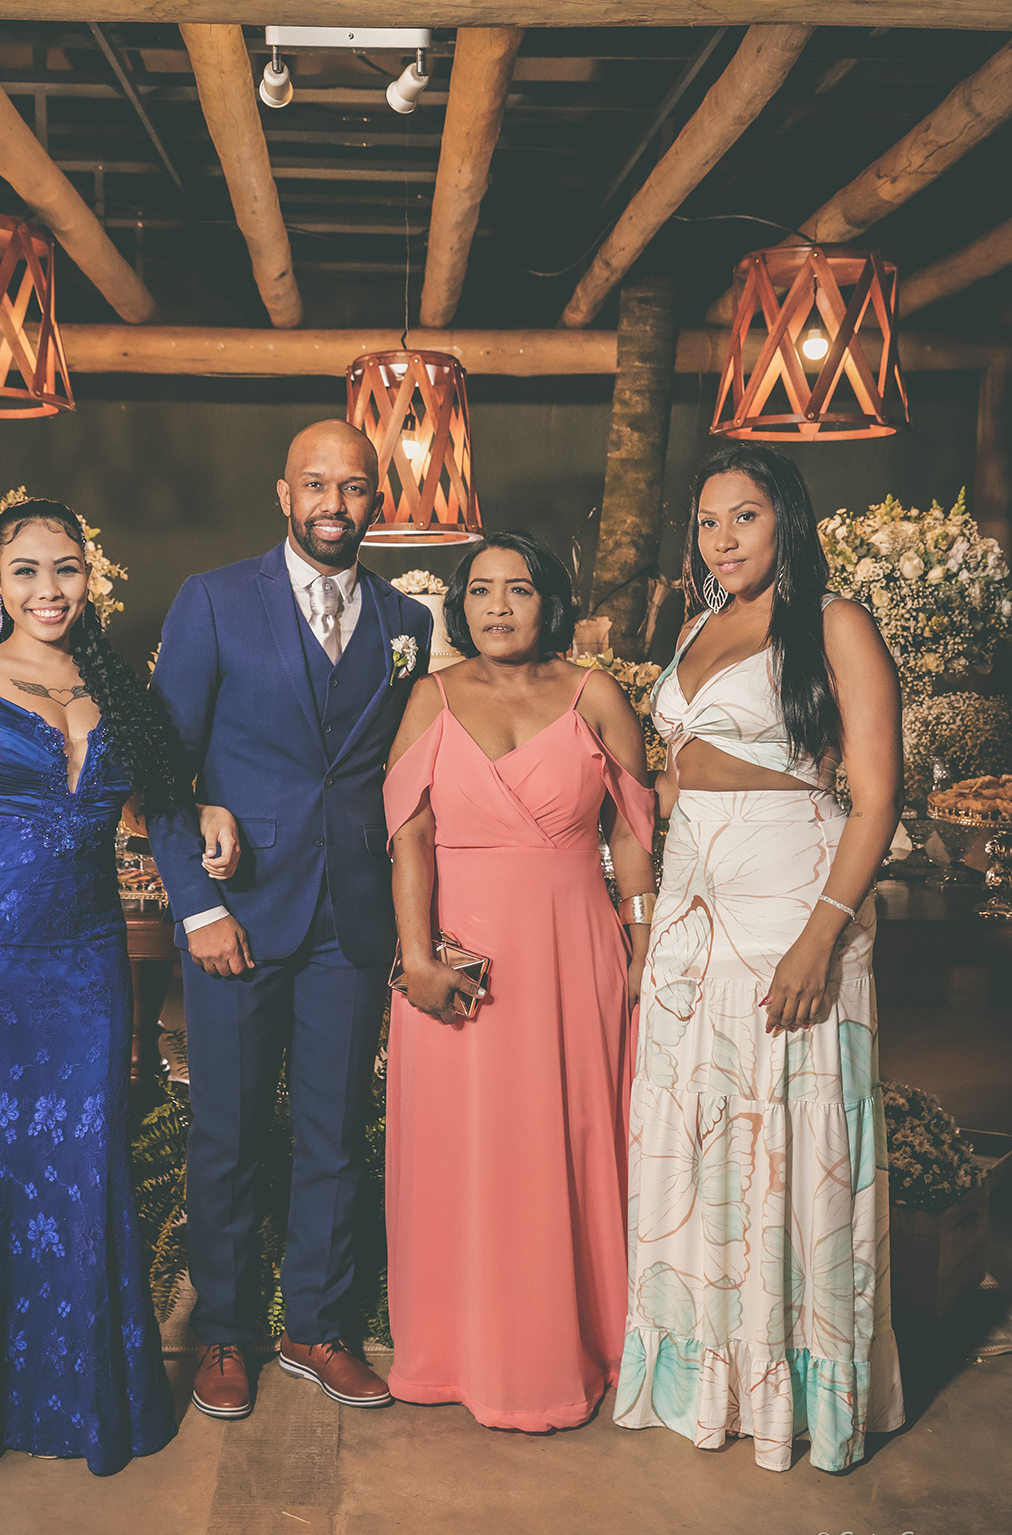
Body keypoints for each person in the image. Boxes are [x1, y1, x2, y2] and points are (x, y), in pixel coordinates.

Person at [0, 499, 237, 1475]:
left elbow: (144, 799)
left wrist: (203, 807)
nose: (48, 590)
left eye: (67, 569)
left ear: (91, 578)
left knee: (86, 1169)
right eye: (26, 570)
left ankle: (87, 1403)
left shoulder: (115, 686)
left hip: (88, 965)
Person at [613, 442, 906, 1472]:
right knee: (698, 1144)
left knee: (786, 1136)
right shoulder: (697, 624)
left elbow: (876, 797)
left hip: (790, 910)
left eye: (744, 516)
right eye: (707, 521)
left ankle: (793, 1391)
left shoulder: (833, 623)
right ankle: (709, 1378)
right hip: (695, 913)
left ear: (786, 518)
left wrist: (822, 937)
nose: (722, 539)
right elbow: (681, 778)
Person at [147, 420, 433, 1419]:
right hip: (238, 914)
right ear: (284, 494)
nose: (333, 504)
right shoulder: (215, 599)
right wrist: (197, 906)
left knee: (335, 1137)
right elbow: (162, 766)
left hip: (351, 920)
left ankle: (316, 1327)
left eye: (352, 487)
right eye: (316, 484)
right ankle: (226, 1333)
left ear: (375, 501)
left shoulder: (408, 620)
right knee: (226, 1136)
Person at [383, 532, 656, 1431]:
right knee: (462, 1151)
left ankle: (574, 1347)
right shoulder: (429, 697)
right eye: (480, 590)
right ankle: (454, 1353)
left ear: (552, 603)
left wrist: (644, 943)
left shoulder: (595, 693)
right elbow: (410, 838)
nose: (498, 607)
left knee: (569, 1143)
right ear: (460, 606)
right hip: (455, 963)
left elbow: (634, 829)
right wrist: (417, 959)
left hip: (573, 955)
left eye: (520, 589)